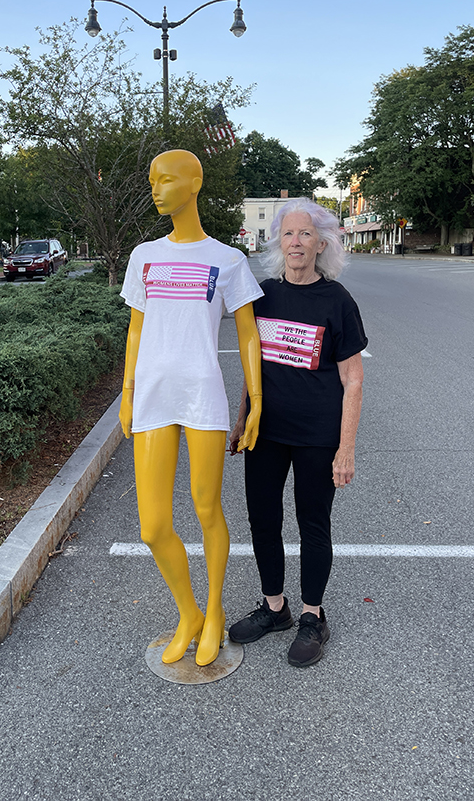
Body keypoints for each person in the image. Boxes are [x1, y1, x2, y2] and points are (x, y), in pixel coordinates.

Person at [119, 149, 263, 667]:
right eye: (152, 179)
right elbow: (136, 328)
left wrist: (256, 401)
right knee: (153, 525)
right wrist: (128, 390)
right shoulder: (144, 256)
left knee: (206, 510)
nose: (156, 188)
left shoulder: (226, 259)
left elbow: (249, 333)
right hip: (154, 396)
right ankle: (188, 613)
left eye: (166, 178)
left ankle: (217, 611)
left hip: (202, 396)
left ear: (194, 182)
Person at [228, 198, 367, 667]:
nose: (296, 242)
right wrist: (242, 417)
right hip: (266, 433)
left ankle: (312, 616)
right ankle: (275, 608)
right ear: (277, 243)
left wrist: (345, 448)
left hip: (316, 434)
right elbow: (253, 366)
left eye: (306, 234)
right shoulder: (263, 295)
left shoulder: (337, 300)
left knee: (313, 524)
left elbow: (353, 379)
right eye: (288, 234)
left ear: (322, 243)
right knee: (263, 520)